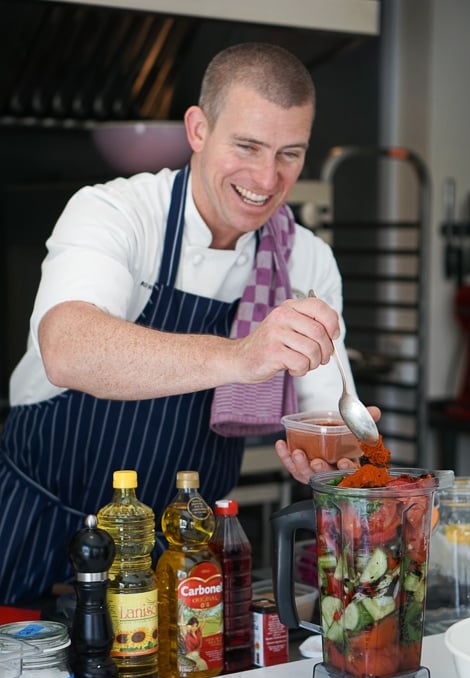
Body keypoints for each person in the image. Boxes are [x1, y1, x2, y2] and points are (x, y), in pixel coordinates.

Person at [0, 42, 378, 605]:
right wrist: (242, 356)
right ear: (198, 129)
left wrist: (337, 454)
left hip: (180, 551)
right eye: (246, 146)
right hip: (35, 523)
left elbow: (327, 412)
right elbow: (67, 349)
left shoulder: (305, 259)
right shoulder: (116, 213)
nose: (267, 177)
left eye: (289, 154)